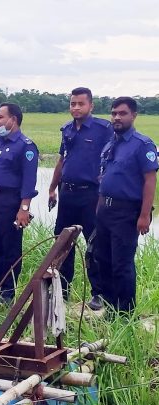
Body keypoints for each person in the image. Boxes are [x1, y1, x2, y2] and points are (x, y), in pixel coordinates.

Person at [48, 87, 112, 309]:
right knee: (63, 243)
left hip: (91, 194)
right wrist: (52, 188)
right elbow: (62, 160)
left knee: (94, 244)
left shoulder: (103, 129)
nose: (75, 108)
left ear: (91, 105)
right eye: (72, 103)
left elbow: (112, 160)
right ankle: (62, 291)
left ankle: (99, 293)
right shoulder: (67, 129)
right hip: (68, 193)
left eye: (80, 104)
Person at [92, 97, 157, 314]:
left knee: (122, 264)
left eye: (122, 113)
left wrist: (145, 215)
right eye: (114, 113)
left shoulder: (142, 144)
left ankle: (125, 312)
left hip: (126, 212)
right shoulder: (111, 143)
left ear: (133, 115)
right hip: (105, 210)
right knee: (103, 260)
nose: (117, 117)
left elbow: (150, 180)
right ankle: (110, 309)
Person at [0, 103, 39, 303]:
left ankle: (8, 293)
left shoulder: (26, 146)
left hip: (10, 202)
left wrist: (24, 208)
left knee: (10, 248)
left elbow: (29, 180)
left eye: (0, 117)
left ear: (13, 119)